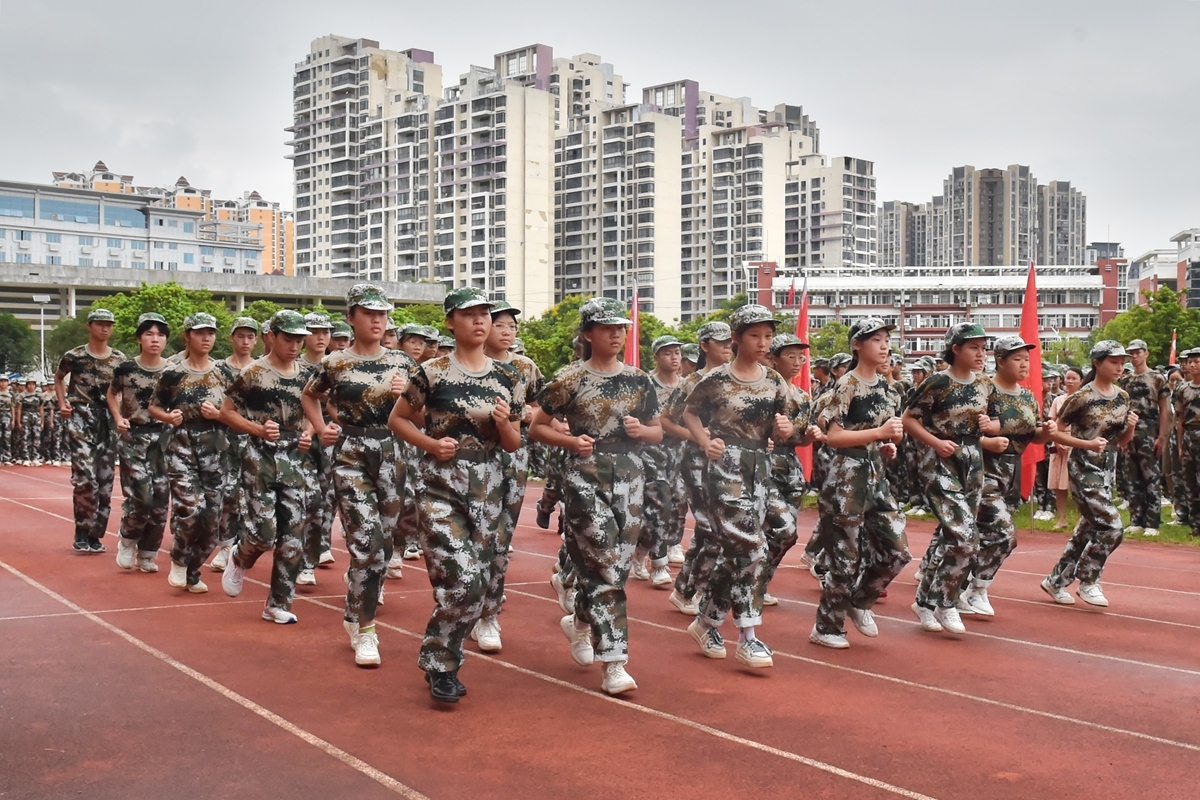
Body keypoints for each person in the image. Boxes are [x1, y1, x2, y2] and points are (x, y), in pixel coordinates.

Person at [388, 287, 524, 704]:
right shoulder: (432, 373)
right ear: (450, 322)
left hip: (489, 487)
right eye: (469, 314)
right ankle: (441, 665)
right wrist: (431, 444)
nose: (480, 321)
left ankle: (442, 655)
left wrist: (504, 424)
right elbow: (398, 419)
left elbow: (514, 443)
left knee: (480, 584)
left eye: (485, 314)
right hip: (440, 485)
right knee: (462, 581)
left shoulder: (508, 376)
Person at [531, 297, 661, 696]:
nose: (616, 334)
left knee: (617, 569)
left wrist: (642, 432)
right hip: (585, 477)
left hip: (630, 477)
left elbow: (658, 431)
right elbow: (537, 427)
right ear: (588, 334)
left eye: (620, 328)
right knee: (604, 563)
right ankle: (615, 662)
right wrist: (571, 441)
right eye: (607, 328)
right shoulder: (569, 378)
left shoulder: (639, 380)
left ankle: (581, 622)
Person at [302, 284, 414, 668]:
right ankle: (367, 630)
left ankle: (355, 608)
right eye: (369, 313)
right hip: (351, 454)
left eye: (382, 314)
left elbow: (423, 414)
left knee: (383, 544)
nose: (377, 320)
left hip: (393, 454)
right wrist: (321, 428)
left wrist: (406, 396)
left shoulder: (403, 363)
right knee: (366, 543)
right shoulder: (335, 362)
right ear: (350, 317)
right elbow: (310, 395)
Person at [682, 305, 797, 668]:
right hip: (725, 467)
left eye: (768, 336)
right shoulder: (716, 379)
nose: (763, 343)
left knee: (781, 532)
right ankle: (748, 636)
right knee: (751, 547)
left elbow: (787, 423)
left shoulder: (774, 380)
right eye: (755, 336)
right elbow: (688, 412)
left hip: (760, 466)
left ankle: (706, 621)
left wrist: (786, 429)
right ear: (736, 338)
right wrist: (705, 441)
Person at [809, 319, 908, 649]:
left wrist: (886, 445)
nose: (884, 346)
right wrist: (878, 434)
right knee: (845, 557)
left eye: (887, 340)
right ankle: (827, 627)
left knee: (898, 551)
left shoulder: (888, 389)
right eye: (876, 340)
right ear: (857, 345)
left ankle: (860, 600)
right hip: (846, 475)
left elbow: (886, 433)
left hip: (876, 473)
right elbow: (834, 437)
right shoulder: (846, 384)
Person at [220, 310, 316, 624]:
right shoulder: (254, 373)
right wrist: (257, 429)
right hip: (259, 458)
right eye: (288, 339)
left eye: (299, 340)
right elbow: (226, 412)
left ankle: (278, 603)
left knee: (293, 535)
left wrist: (309, 433)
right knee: (263, 533)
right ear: (272, 336)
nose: (295, 346)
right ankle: (239, 556)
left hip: (294, 459)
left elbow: (316, 410)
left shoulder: (308, 375)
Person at [904, 322, 992, 635]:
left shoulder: (984, 383)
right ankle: (946, 602)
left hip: (972, 463)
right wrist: (935, 442)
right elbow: (908, 419)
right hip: (940, 462)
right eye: (974, 347)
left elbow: (991, 422)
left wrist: (990, 426)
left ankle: (924, 602)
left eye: (983, 348)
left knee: (950, 537)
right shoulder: (938, 382)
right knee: (966, 537)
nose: (981, 354)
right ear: (956, 349)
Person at [470, 299, 544, 653]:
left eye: (512, 326)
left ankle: (488, 615)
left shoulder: (525, 367)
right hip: (470, 460)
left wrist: (528, 414)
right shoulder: (467, 365)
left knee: (500, 539)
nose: (506, 332)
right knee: (472, 537)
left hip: (512, 457)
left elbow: (543, 406)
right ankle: (465, 604)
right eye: (499, 324)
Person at [962, 336, 1054, 616]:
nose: (1024, 364)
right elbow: (962, 432)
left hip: (1013, 473)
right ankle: (974, 589)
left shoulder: (1027, 396)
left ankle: (957, 586)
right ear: (1000, 361)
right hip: (984, 471)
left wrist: (1047, 433)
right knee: (1004, 535)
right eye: (1017, 359)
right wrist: (987, 441)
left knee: (984, 535)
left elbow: (1034, 434)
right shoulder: (984, 391)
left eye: (1027, 359)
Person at [1041, 341, 1137, 606]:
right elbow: (1057, 432)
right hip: (1084, 469)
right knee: (1112, 526)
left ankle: (1056, 581)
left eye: (1122, 362)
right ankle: (1088, 580)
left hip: (1107, 470)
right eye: (1114, 362)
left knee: (1087, 530)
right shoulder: (1081, 397)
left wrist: (1130, 428)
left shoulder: (1122, 396)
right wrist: (1087, 444)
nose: (1119, 367)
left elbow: (1121, 441)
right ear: (1097, 363)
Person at [150, 313, 233, 593]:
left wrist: (219, 414)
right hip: (181, 447)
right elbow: (154, 406)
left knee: (212, 519)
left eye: (211, 333)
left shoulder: (224, 373)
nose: (206, 338)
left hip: (215, 450)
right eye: (200, 333)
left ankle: (193, 570)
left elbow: (237, 412)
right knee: (191, 508)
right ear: (187, 336)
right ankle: (178, 559)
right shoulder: (173, 372)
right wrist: (167, 416)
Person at [663, 322, 734, 616]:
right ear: (704, 345)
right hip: (696, 460)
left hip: (729, 462)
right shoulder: (691, 382)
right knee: (711, 528)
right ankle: (693, 589)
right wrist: (697, 437)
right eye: (721, 342)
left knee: (713, 530)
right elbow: (666, 421)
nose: (728, 346)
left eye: (730, 341)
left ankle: (685, 588)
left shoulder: (736, 378)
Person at [56, 308, 126, 553]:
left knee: (105, 480)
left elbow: (122, 389)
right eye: (99, 324)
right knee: (85, 477)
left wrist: (120, 414)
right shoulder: (74, 356)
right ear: (89, 326)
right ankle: (82, 529)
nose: (105, 328)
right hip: (81, 416)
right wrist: (62, 403)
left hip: (107, 419)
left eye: (109, 324)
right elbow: (59, 378)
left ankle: (96, 534)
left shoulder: (119, 359)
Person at [107, 313, 172, 573]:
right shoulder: (126, 369)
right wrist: (118, 417)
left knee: (160, 500)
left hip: (164, 441)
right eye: (149, 334)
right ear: (139, 338)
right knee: (142, 497)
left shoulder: (173, 370)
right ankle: (127, 539)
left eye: (160, 335)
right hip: (134, 438)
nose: (155, 339)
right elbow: (112, 393)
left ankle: (147, 553)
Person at [761, 332, 815, 606]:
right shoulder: (763, 391)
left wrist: (810, 436)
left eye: (800, 357)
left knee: (787, 534)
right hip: (763, 465)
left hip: (790, 468)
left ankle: (759, 582)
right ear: (773, 359)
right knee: (779, 529)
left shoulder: (803, 397)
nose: (797, 362)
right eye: (790, 356)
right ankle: (746, 583)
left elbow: (800, 439)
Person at [632, 335, 685, 589]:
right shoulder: (646, 384)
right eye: (668, 353)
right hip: (651, 451)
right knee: (659, 503)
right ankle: (659, 564)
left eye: (677, 353)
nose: (674, 358)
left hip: (679, 453)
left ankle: (641, 551)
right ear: (656, 357)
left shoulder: (686, 386)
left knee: (677, 504)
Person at [209, 317, 260, 572]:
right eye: (240, 336)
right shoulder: (218, 369)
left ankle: (242, 545)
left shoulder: (260, 368)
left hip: (254, 438)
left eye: (250, 337)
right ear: (231, 338)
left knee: (251, 495)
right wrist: (218, 414)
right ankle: (226, 546)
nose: (245, 341)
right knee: (228, 493)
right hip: (225, 438)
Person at [297, 312, 337, 585]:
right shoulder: (296, 366)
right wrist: (311, 429)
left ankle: (321, 545)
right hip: (301, 441)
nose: (321, 337)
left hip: (331, 441)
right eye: (314, 331)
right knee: (308, 500)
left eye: (326, 332)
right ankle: (306, 562)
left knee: (327, 499)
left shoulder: (336, 365)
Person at [1119, 339, 1171, 537]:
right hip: (1130, 429)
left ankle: (1152, 521)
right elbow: (1122, 409)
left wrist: (1162, 436)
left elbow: (1165, 409)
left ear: (1146, 353)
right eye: (1131, 353)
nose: (1134, 356)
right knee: (1131, 476)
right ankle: (1136, 519)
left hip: (1150, 428)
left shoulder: (1157, 378)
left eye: (1138, 352)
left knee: (1151, 476)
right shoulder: (1125, 380)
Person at [1048, 367, 1084, 529]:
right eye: (1067, 378)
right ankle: (1061, 519)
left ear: (1081, 381)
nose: (1069, 381)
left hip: (1077, 443)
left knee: (1077, 484)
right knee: (1058, 485)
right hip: (1058, 443)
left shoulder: (1084, 399)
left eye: (1073, 378)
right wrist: (1057, 441)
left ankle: (1080, 520)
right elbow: (1051, 423)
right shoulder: (1058, 400)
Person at [1172, 349, 1200, 533]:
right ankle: (1195, 523)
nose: (1192, 365)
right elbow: (1180, 419)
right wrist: (1180, 445)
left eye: (1196, 361)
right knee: (1189, 482)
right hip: (1189, 436)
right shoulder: (1183, 389)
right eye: (1190, 362)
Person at [16, 376, 44, 466]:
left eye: (33, 384)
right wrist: (18, 422)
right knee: (25, 437)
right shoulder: (22, 395)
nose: (31, 386)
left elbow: (41, 409)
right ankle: (26, 458)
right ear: (26, 385)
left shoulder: (39, 395)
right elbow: (19, 409)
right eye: (29, 384)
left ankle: (35, 457)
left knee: (36, 437)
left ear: (35, 385)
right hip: (26, 417)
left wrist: (42, 422)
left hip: (36, 417)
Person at [0, 375, 12, 465]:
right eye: (1, 381)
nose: (3, 383)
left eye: (5, 381)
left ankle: (7, 458)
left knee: (7, 437)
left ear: (8, 383)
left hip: (7, 415)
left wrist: (13, 420)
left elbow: (13, 408)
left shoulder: (11, 394)